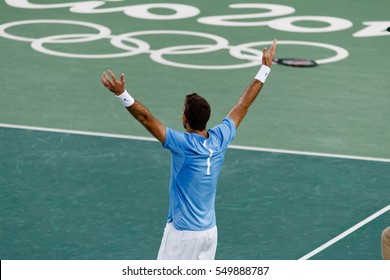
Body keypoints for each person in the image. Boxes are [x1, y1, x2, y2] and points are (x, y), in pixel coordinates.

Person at [101, 39, 277, 260]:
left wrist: (121, 94)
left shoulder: (182, 145)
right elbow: (243, 104)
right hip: (209, 234)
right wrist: (265, 68)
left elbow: (146, 119)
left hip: (182, 236)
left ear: (184, 118)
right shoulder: (221, 137)